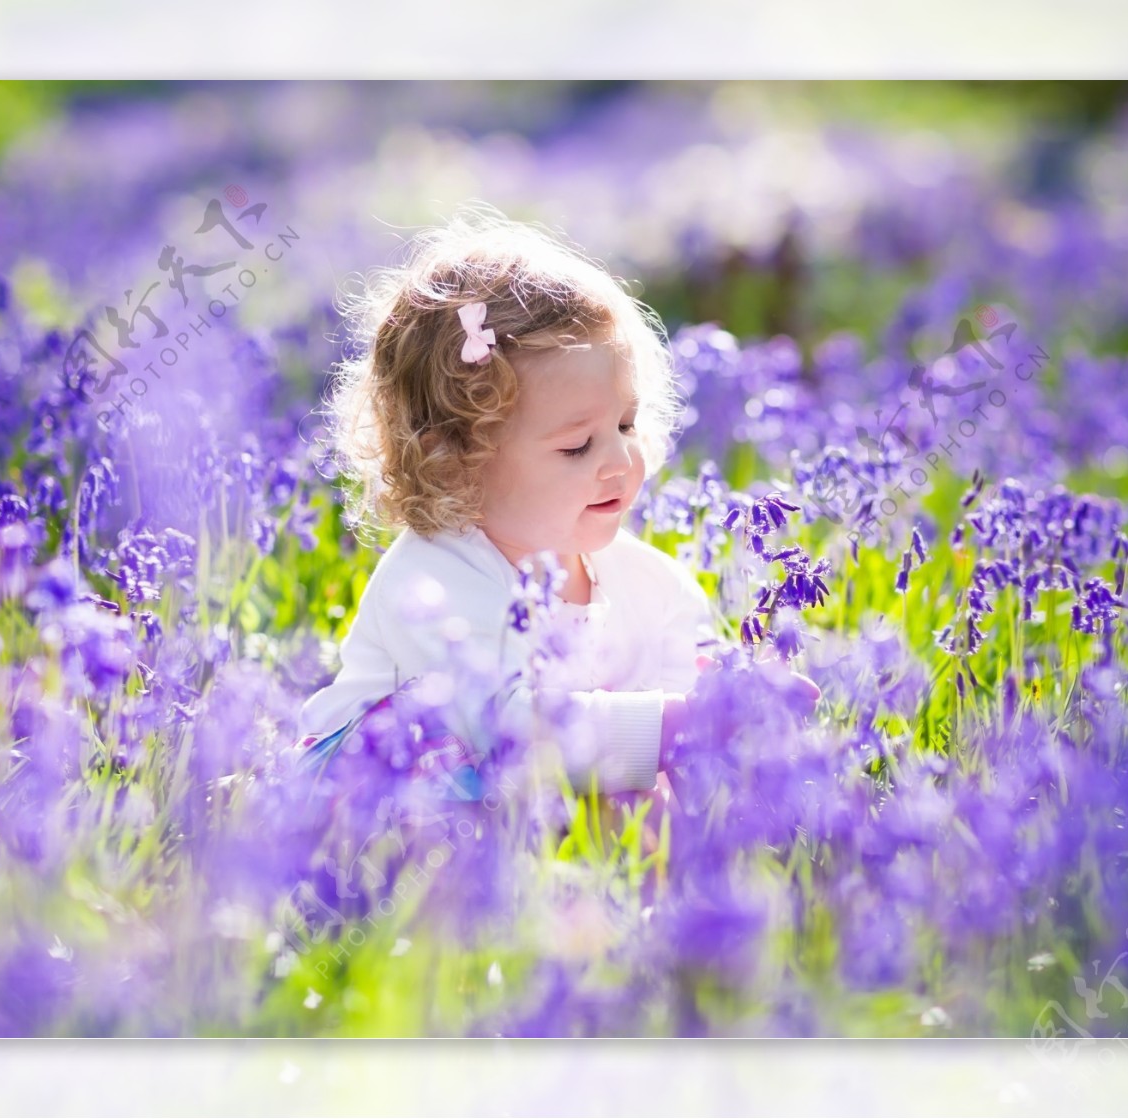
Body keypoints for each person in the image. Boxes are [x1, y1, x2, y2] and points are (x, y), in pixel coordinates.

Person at [297, 204, 818, 818]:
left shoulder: (648, 582)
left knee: (645, 789)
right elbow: (509, 728)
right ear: (455, 462)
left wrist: (724, 699)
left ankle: (619, 897)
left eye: (626, 423)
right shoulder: (436, 581)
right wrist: (677, 722)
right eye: (577, 445)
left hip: (529, 792)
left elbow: (681, 687)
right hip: (368, 801)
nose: (622, 459)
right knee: (459, 757)